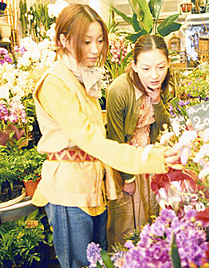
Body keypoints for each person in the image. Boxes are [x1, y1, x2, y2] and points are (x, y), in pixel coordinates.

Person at [31, 5, 177, 268]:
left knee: (99, 261)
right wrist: (149, 158)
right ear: (63, 40)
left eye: (99, 40)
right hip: (68, 190)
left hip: (92, 186)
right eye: (86, 41)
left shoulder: (79, 78)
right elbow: (91, 139)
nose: (95, 50)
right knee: (80, 263)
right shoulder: (55, 83)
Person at [106, 34, 172, 248]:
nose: (154, 75)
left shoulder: (161, 84)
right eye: (146, 69)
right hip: (127, 161)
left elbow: (164, 129)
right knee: (128, 222)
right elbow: (114, 137)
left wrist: (157, 100)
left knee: (152, 215)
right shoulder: (119, 90)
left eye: (161, 67)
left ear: (168, 63)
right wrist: (127, 177)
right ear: (134, 65)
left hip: (150, 160)